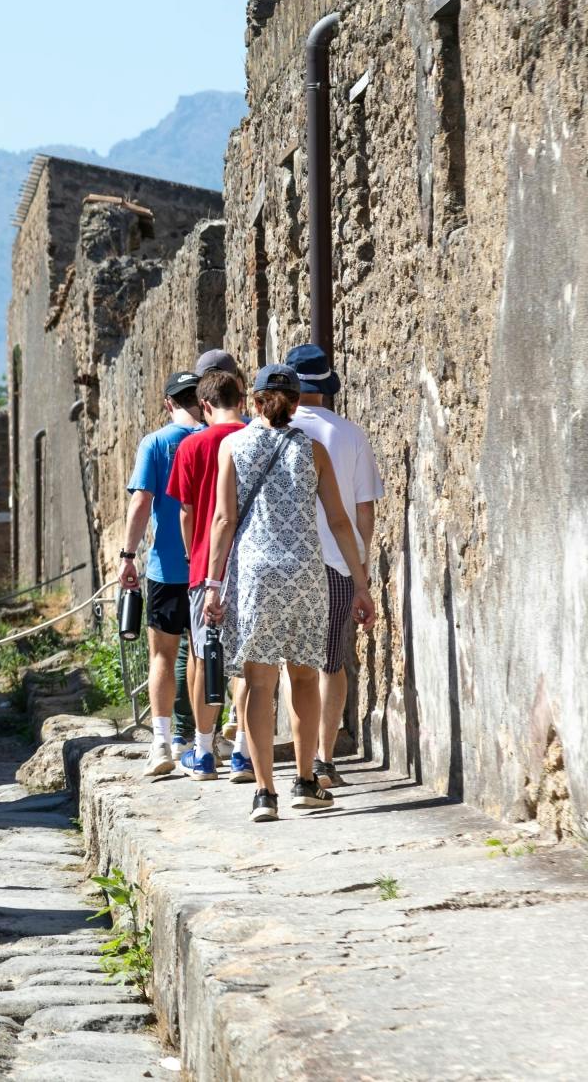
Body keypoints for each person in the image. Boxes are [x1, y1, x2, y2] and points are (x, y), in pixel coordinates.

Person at [200, 364, 375, 822]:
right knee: (303, 677)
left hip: (255, 576)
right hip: (306, 575)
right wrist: (360, 582)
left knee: (259, 683)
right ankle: (304, 781)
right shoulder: (313, 450)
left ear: (254, 402)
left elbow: (223, 521)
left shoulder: (232, 447)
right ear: (297, 404)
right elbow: (340, 521)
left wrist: (213, 584)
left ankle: (264, 794)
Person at [286, 343, 385, 791]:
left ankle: (298, 760)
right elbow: (363, 511)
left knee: (294, 664)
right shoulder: (350, 435)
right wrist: (361, 566)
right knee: (332, 662)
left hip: (287, 563)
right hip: (338, 565)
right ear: (326, 386)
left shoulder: (273, 431)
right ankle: (324, 758)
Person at [114, 369, 202, 776]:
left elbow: (140, 503)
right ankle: (203, 745)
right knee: (204, 654)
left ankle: (162, 744)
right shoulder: (216, 440)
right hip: (209, 566)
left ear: (169, 403)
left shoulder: (156, 443)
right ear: (201, 399)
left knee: (162, 656)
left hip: (165, 568)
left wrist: (127, 555)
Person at [165, 364, 247, 780]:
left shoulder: (191, 448)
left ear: (204, 404)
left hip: (204, 565)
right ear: (243, 399)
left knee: (204, 655)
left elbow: (186, 511)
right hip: (249, 565)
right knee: (251, 660)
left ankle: (204, 752)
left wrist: (190, 553)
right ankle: (245, 752)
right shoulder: (256, 439)